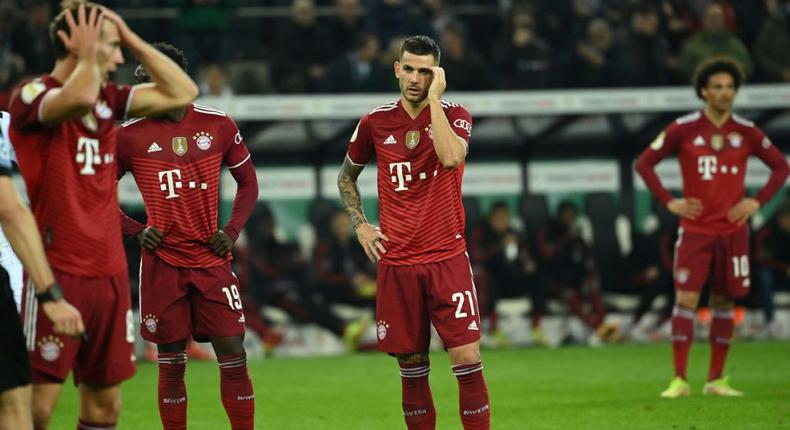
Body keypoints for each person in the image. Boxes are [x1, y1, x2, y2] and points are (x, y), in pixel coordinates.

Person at [7, 2, 198, 429]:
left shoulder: (109, 100)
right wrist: (92, 55)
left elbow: (184, 92)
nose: (118, 60)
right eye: (111, 49)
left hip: (109, 277)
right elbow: (73, 99)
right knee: (35, 410)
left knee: (104, 408)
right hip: (60, 271)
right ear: (78, 46)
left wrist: (129, 37)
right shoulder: (31, 95)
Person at [337, 35, 490, 429]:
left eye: (425, 71)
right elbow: (346, 177)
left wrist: (435, 101)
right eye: (409, 68)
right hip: (398, 263)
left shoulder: (455, 114)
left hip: (446, 257)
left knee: (468, 359)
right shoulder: (375, 121)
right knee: (412, 365)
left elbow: (451, 156)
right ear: (396, 69)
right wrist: (361, 225)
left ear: (436, 74)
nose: (415, 79)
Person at [117, 42, 257, 430]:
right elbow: (92, 197)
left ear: (175, 78)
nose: (139, 88)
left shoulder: (218, 123)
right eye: (138, 80)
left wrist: (231, 231)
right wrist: (134, 229)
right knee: (171, 361)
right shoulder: (127, 137)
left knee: (233, 352)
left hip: (212, 260)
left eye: (148, 79)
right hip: (162, 265)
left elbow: (248, 183)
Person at [635, 57, 789, 398]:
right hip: (696, 231)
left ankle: (716, 379)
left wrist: (756, 202)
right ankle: (679, 379)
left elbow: (780, 167)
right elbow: (644, 163)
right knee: (686, 298)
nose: (724, 92)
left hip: (733, 232)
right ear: (704, 92)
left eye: (729, 87)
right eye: (717, 87)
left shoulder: (747, 132)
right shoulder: (684, 128)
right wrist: (668, 201)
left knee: (724, 301)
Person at [0, 111, 83, 430]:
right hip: (9, 261)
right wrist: (49, 293)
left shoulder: (10, 122)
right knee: (13, 400)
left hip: (9, 259)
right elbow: (10, 209)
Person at [754, 197, 790, 336]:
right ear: (782, 218)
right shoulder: (767, 231)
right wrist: (784, 268)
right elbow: (759, 259)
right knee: (764, 276)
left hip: (785, 273)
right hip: (770, 274)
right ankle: (771, 321)